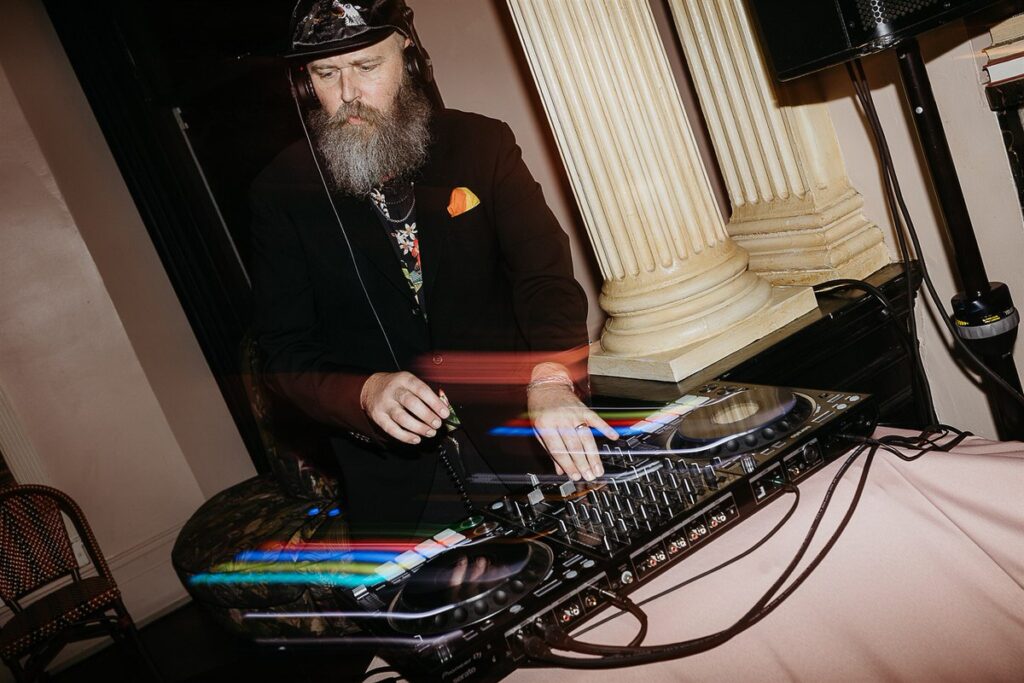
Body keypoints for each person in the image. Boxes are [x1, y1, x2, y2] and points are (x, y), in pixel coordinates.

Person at [251, 0, 617, 536]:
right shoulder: (279, 194)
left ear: (409, 59)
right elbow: (284, 355)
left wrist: (551, 377)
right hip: (401, 490)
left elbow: (545, 280)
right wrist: (364, 392)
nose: (348, 93)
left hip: (527, 438)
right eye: (327, 74)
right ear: (305, 85)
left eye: (367, 67)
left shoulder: (483, 144)